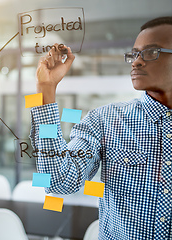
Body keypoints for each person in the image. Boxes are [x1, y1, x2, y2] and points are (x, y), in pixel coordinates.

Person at [30, 16, 172, 239]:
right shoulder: (104, 120)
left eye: (151, 52)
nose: (136, 62)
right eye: (134, 54)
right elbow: (58, 181)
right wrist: (45, 90)